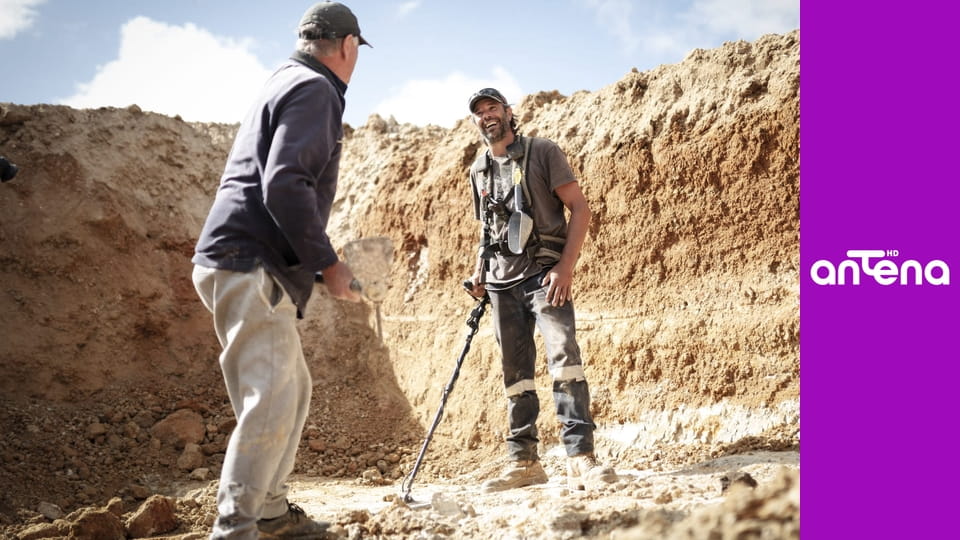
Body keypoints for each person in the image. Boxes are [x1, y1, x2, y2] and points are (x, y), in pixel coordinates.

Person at [191, 3, 369, 538]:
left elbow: (276, 183)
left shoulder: (284, 79)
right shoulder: (315, 89)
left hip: (242, 260)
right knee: (268, 399)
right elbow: (285, 184)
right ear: (349, 46)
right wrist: (330, 265)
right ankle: (235, 529)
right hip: (250, 264)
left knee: (292, 391)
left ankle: (268, 512)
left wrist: (311, 267)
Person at [464, 88, 617, 493]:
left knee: (564, 358)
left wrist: (564, 268)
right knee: (515, 375)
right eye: (479, 112)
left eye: (492, 108)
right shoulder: (478, 170)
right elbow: (488, 231)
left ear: (509, 113)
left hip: (544, 277)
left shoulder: (543, 151)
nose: (486, 116)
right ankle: (524, 462)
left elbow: (580, 209)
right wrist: (480, 272)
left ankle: (580, 457)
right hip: (500, 284)